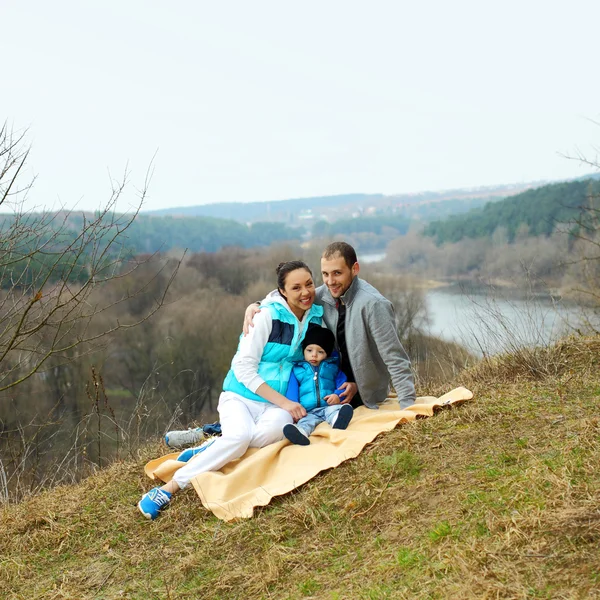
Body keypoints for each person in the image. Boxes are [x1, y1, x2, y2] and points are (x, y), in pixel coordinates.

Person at [138, 260, 323, 520]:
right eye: (296, 288)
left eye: (309, 284)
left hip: (273, 405)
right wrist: (285, 403)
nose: (305, 292)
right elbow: (244, 369)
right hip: (241, 396)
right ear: (282, 291)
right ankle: (169, 488)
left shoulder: (314, 314)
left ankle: (210, 447)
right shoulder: (266, 316)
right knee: (239, 438)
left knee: (273, 433)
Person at [245, 241, 416, 410]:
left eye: (337, 273)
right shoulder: (321, 295)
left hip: (365, 394)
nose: (330, 281)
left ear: (354, 269)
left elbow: (395, 359)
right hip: (329, 389)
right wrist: (259, 305)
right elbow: (289, 294)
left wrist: (408, 406)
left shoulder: (374, 305)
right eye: (325, 274)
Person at [283, 325, 353, 446]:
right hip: (308, 410)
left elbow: (343, 385)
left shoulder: (332, 368)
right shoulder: (297, 370)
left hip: (328, 405)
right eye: (309, 350)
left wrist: (337, 396)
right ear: (303, 350)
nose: (314, 355)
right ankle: (301, 433)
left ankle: (338, 420)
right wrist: (294, 406)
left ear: (327, 353)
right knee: (305, 422)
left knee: (334, 411)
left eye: (320, 351)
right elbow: (292, 390)